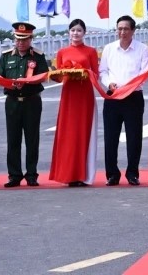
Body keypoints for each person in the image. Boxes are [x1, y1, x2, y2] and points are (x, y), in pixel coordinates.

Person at [99, 15, 148, 186]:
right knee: (110, 137)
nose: (122, 32)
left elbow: (144, 72)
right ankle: (112, 174)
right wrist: (109, 83)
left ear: (133, 31)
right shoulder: (109, 49)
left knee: (134, 137)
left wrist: (129, 86)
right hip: (113, 97)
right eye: (119, 29)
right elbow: (103, 71)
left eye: (126, 29)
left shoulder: (142, 49)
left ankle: (132, 173)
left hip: (133, 97)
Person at [0, 21, 50, 187]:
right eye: (18, 39)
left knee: (32, 139)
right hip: (12, 101)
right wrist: (11, 83)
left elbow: (43, 76)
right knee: (13, 139)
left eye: (24, 39)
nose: (21, 42)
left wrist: (27, 82)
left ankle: (31, 174)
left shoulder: (38, 56)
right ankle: (14, 175)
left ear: (31, 39)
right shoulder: (6, 56)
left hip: (31, 101)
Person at [49, 18, 100, 187]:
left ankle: (83, 175)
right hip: (69, 96)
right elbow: (59, 75)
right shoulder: (62, 52)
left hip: (85, 96)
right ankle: (69, 174)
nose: (76, 33)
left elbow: (95, 74)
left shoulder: (91, 51)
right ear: (68, 32)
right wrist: (56, 76)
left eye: (79, 30)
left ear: (84, 33)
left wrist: (83, 73)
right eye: (73, 30)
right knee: (69, 134)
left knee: (84, 132)